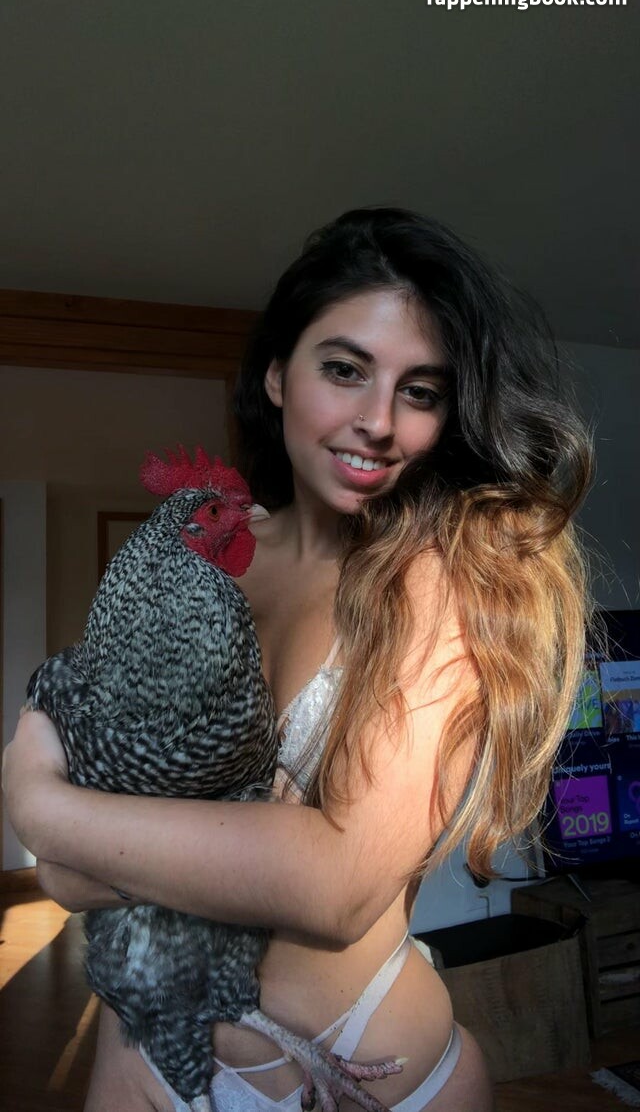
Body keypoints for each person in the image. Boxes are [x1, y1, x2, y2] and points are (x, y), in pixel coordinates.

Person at [3, 207, 592, 1112]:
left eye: (420, 391)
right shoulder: (211, 556)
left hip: (367, 1070)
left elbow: (335, 887)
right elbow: (63, 880)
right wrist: (77, 845)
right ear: (278, 374)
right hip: (156, 1047)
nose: (378, 422)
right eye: (344, 370)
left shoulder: (437, 578)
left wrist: (41, 806)